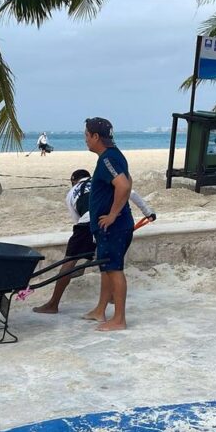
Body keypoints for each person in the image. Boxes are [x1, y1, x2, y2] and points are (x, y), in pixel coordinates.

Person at [33, 168, 156, 314]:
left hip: (86, 223)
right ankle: (111, 296)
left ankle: (53, 304)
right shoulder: (102, 182)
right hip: (112, 222)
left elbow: (77, 220)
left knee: (69, 262)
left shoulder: (72, 193)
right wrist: (149, 213)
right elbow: (131, 192)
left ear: (73, 181)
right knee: (111, 262)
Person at [81, 117, 134, 331]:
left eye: (86, 135)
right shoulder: (113, 155)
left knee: (114, 269)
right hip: (110, 226)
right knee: (106, 268)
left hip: (114, 226)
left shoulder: (107, 159)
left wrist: (112, 214)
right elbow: (128, 181)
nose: (85, 139)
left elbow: (123, 186)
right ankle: (100, 309)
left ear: (96, 136)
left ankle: (119, 319)